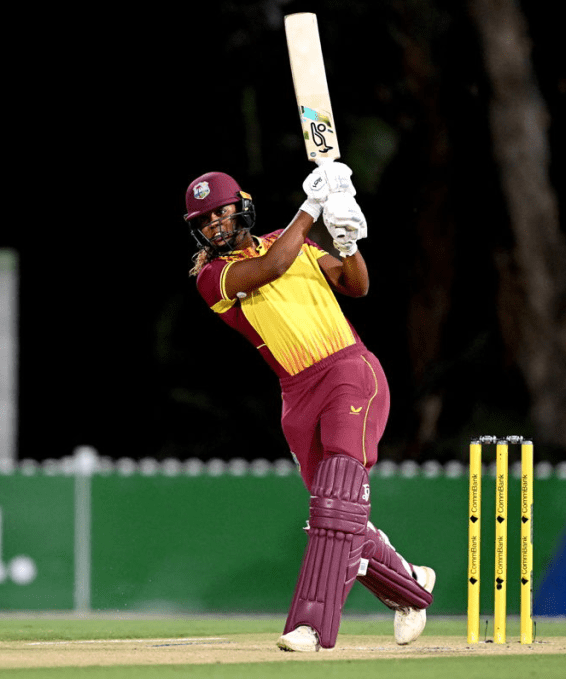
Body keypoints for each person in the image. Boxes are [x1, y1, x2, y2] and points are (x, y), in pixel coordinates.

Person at [183, 165, 435, 652]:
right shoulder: (214, 277)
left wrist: (347, 242)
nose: (216, 224)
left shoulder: (291, 240)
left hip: (348, 370)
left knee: (338, 501)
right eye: (206, 219)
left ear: (243, 207)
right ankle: (410, 586)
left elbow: (356, 286)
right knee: (336, 517)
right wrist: (313, 207)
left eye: (223, 211)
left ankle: (312, 626)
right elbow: (273, 267)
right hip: (296, 397)